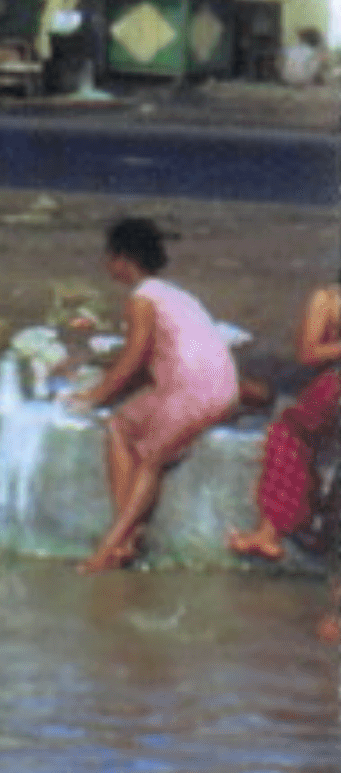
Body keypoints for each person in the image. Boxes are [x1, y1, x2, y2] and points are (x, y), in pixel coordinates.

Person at [69, 217, 241, 574]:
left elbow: (132, 359)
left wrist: (94, 396)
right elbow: (151, 362)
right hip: (214, 385)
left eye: (109, 257)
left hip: (197, 390)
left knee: (150, 456)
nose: (106, 264)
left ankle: (110, 546)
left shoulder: (142, 299)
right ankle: (127, 537)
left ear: (122, 259)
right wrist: (103, 394)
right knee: (119, 425)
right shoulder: (175, 294)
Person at [228, 269, 341, 561]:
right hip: (327, 389)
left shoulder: (328, 299)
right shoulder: (329, 299)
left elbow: (308, 353)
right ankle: (274, 530)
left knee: (288, 430)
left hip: (329, 391)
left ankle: (271, 532)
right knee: (289, 426)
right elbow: (308, 355)